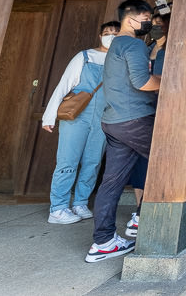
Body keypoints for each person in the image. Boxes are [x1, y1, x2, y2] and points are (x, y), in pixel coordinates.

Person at [85, 0, 160, 263]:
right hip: (135, 119)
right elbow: (142, 82)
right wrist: (170, 81)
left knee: (112, 182)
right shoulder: (133, 43)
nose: (150, 22)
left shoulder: (117, 44)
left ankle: (103, 241)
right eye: (147, 17)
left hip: (115, 121)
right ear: (131, 19)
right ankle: (143, 220)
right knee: (167, 164)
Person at [41, 21, 120, 224]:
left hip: (103, 117)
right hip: (78, 115)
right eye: (106, 33)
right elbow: (64, 85)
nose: (110, 36)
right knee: (68, 160)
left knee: (93, 162)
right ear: (100, 36)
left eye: (115, 33)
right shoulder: (84, 56)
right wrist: (49, 116)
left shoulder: (120, 60)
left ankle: (80, 202)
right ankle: (57, 208)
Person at [125, 8, 170, 238]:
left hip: (163, 109)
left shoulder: (171, 49)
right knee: (140, 158)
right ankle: (139, 208)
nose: (155, 26)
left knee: (155, 156)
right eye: (152, 22)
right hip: (140, 109)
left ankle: (147, 210)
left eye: (160, 23)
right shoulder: (145, 48)